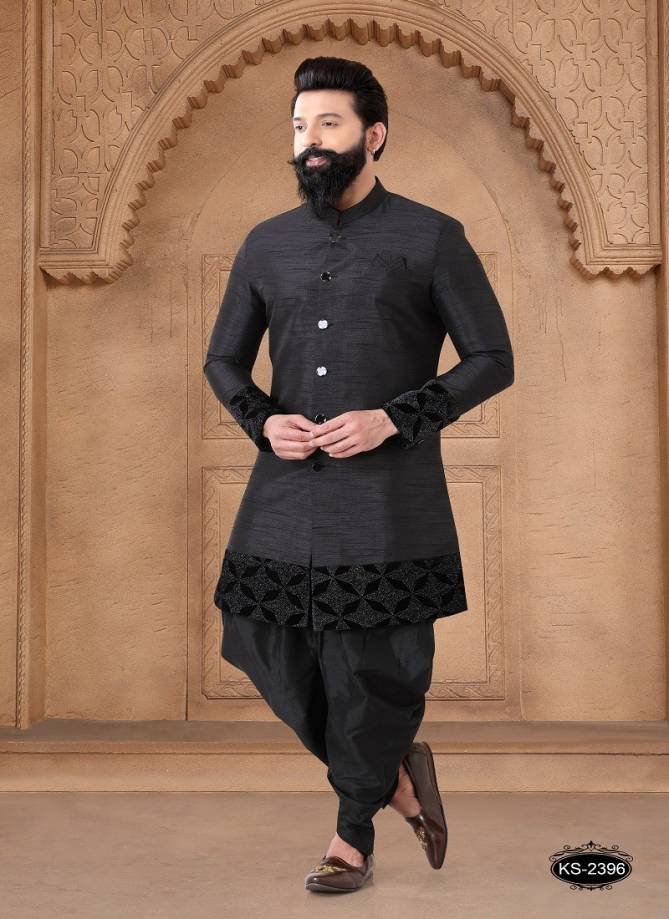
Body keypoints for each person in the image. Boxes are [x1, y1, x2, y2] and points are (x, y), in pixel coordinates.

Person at [203, 55, 514, 892]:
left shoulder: (430, 236)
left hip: (387, 496)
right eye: (299, 127)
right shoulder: (266, 243)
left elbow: (492, 358)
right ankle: (393, 779)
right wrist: (262, 418)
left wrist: (394, 417)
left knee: (371, 666)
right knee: (257, 635)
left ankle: (350, 836)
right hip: (286, 488)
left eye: (328, 124)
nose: (309, 141)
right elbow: (222, 361)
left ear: (373, 136)